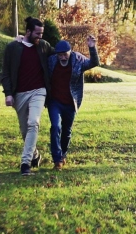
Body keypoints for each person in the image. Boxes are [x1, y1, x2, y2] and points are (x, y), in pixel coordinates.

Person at [1, 17, 54, 176]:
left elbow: (59, 54)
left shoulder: (43, 46)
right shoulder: (12, 48)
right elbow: (5, 74)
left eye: (42, 33)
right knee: (25, 131)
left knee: (33, 123)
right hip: (19, 95)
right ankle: (35, 155)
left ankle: (25, 164)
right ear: (28, 32)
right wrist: (8, 94)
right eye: (37, 33)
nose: (40, 36)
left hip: (39, 91)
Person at [48, 35, 100, 170]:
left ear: (70, 52)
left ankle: (63, 154)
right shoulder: (51, 61)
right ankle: (57, 159)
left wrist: (92, 47)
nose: (63, 58)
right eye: (60, 55)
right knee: (55, 127)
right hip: (55, 102)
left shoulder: (77, 59)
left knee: (66, 131)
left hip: (71, 102)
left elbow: (94, 63)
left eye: (65, 55)